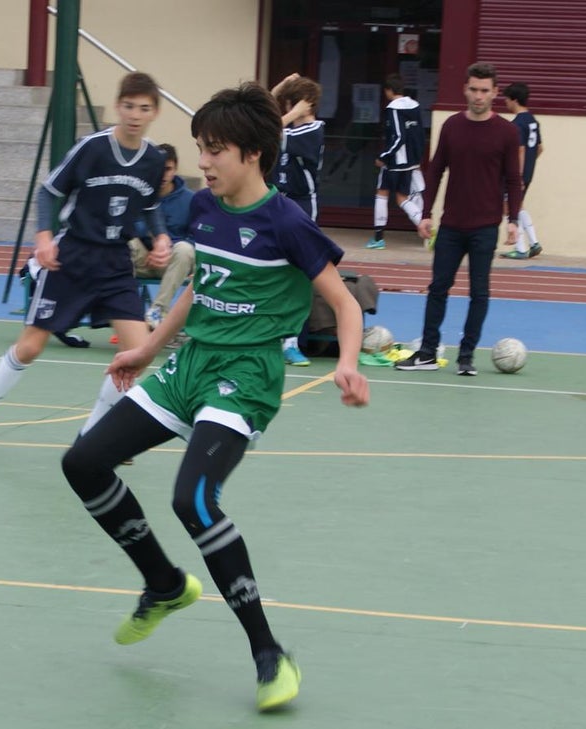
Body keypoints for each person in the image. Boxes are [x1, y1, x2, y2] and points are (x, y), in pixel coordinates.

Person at [59, 82, 369, 713]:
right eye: (202, 148)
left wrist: (346, 364)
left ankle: (268, 652)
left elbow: (342, 302)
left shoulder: (287, 223)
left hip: (247, 374)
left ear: (252, 153)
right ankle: (165, 584)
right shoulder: (203, 208)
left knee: (192, 498)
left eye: (216, 150)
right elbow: (199, 289)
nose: (204, 161)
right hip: (189, 364)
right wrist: (147, 348)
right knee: (81, 463)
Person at [0, 72, 173, 456]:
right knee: (29, 347)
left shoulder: (153, 160)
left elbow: (150, 207)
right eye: (129, 106)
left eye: (144, 108)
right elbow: (49, 192)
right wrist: (44, 237)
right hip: (74, 256)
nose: (135, 114)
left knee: (136, 354)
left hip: (115, 262)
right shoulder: (91, 148)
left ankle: (89, 437)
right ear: (118, 106)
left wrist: (160, 238)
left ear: (155, 112)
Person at [395, 63, 522, 376]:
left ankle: (466, 357)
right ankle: (426, 353)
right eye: (474, 89)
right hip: (451, 225)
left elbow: (513, 179)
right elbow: (436, 170)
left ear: (494, 93)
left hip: (485, 227)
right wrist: (426, 214)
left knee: (479, 292)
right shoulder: (451, 126)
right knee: (438, 288)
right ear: (466, 89)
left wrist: (514, 219)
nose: (478, 96)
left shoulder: (507, 131)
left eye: (484, 91)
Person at [270, 73, 325, 366]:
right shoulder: (288, 125)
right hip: (275, 202)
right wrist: (278, 90)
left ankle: (293, 341)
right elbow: (257, 121)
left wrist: (295, 109)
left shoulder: (313, 130)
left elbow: (270, 129)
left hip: (301, 207)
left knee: (298, 275)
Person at [130, 143, 196, 331]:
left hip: (175, 264)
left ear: (175, 169)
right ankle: (129, 313)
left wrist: (167, 251)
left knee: (185, 249)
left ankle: (158, 311)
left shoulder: (191, 200)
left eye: (167, 169)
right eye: (158, 169)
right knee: (125, 243)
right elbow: (129, 227)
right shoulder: (137, 194)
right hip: (144, 259)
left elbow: (198, 237)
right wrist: (154, 247)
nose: (162, 174)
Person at [365, 73, 425, 250]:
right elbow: (420, 135)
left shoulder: (393, 109)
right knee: (402, 198)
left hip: (395, 162)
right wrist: (417, 157)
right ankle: (426, 226)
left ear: (389, 90)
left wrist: (384, 156)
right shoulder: (415, 106)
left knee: (382, 194)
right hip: (411, 162)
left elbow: (399, 137)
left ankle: (378, 238)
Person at [499, 82, 544, 259]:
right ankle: (534, 243)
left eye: (507, 99)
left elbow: (520, 149)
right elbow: (540, 148)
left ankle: (521, 247)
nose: (505, 103)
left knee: (509, 207)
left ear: (514, 100)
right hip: (529, 172)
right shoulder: (533, 121)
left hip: (518, 174)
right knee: (518, 205)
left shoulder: (516, 124)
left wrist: (516, 174)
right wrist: (529, 166)